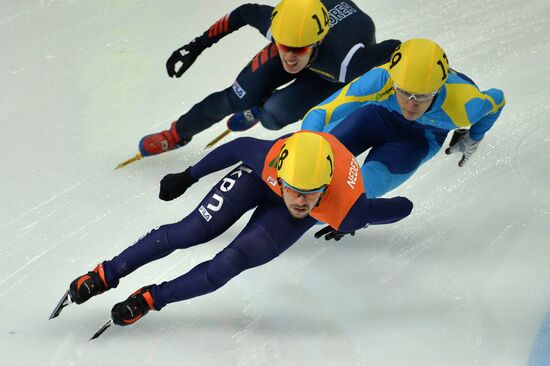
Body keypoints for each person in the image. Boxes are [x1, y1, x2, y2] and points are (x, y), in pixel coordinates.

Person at [66, 131, 413, 327]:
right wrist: (188, 176)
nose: (300, 201)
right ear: (282, 175)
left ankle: (150, 298)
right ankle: (104, 274)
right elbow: (236, 147)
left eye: (311, 196)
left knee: (229, 263)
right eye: (294, 191)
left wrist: (360, 215)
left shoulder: (345, 208)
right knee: (190, 231)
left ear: (325, 190)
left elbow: (402, 208)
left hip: (307, 206)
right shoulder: (269, 158)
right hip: (259, 181)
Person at [137, 0, 400, 157]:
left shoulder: (348, 62)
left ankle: (260, 109)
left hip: (330, 74)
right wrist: (197, 45)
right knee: (234, 98)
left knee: (273, 116)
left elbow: (398, 49)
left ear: (318, 40)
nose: (289, 57)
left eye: (298, 49)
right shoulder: (281, 26)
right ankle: (176, 133)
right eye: (283, 46)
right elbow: (243, 12)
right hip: (318, 47)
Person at [302, 38, 506, 198]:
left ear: (438, 89)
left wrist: (474, 136)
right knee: (308, 162)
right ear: (394, 82)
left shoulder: (466, 106)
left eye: (423, 96)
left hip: (419, 139)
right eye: (404, 92)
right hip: (377, 117)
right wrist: (304, 146)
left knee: (353, 195)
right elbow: (321, 112)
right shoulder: (382, 78)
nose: (411, 104)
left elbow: (498, 99)